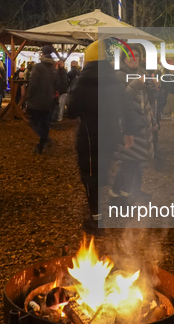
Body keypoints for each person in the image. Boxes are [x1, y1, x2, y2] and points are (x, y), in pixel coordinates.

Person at [67, 40, 121, 236]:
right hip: (111, 134)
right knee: (101, 171)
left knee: (90, 174)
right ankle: (98, 211)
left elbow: (72, 110)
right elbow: (123, 105)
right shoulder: (114, 78)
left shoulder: (85, 78)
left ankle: (96, 220)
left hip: (90, 134)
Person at [112, 44, 156, 200]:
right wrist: (137, 84)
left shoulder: (141, 73)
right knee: (128, 162)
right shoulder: (118, 75)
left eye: (136, 55)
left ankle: (135, 191)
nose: (134, 58)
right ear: (122, 58)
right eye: (130, 55)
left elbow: (146, 102)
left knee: (138, 162)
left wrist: (153, 119)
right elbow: (122, 100)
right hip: (129, 125)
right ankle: (118, 195)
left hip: (142, 125)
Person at [26, 45, 57, 154]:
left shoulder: (39, 67)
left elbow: (33, 84)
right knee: (44, 122)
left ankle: (44, 139)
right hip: (48, 100)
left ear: (43, 54)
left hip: (37, 100)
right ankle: (42, 142)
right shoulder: (53, 68)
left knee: (33, 122)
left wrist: (28, 97)